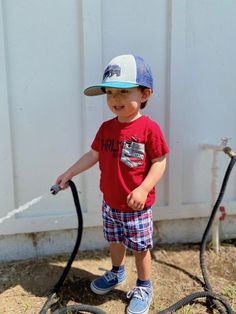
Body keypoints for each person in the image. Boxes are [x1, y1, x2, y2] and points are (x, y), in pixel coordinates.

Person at [56, 54, 169, 314]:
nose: (114, 100)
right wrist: (69, 172)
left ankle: (144, 285)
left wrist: (142, 188)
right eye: (109, 93)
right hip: (111, 204)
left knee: (140, 249)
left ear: (144, 94)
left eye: (123, 92)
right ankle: (117, 272)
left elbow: (160, 161)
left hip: (136, 207)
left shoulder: (148, 129)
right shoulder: (107, 128)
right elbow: (93, 155)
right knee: (115, 241)